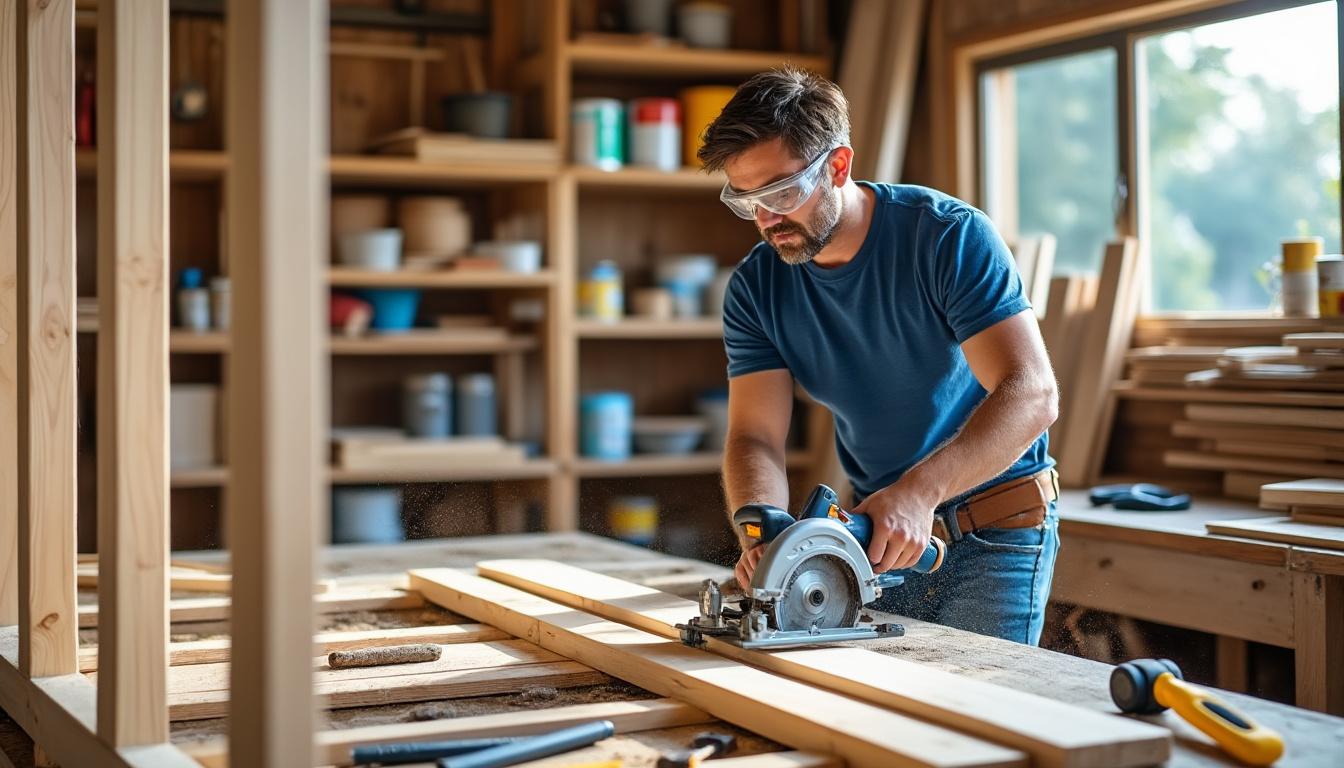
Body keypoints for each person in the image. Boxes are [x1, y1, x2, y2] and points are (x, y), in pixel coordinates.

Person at [703, 67, 1061, 645]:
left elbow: (1032, 392)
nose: (766, 220)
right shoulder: (755, 289)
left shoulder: (946, 237)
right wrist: (762, 532)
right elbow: (754, 439)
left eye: (781, 194)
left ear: (838, 166)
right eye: (747, 202)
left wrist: (919, 494)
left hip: (994, 526)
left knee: (981, 710)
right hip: (873, 538)